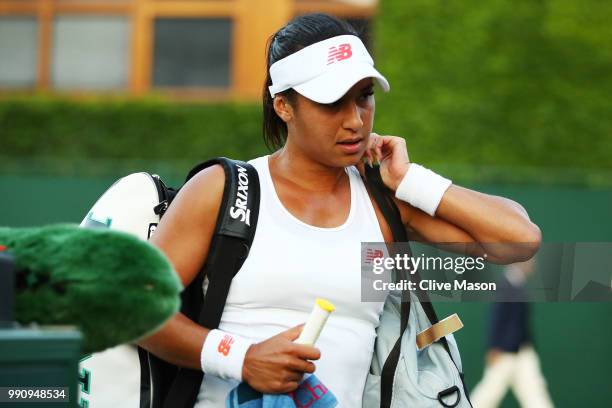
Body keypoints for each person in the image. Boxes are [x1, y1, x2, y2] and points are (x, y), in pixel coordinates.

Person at [138, 13, 541, 407]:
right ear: (284, 106)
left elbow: (520, 240)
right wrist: (240, 358)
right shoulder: (224, 188)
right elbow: (134, 306)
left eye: (364, 96)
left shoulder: (386, 201)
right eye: (332, 102)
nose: (355, 120)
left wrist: (410, 179)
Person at [471, 258, 555, 408]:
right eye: (529, 260)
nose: (532, 264)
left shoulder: (519, 284)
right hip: (504, 352)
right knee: (489, 392)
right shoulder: (505, 285)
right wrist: (494, 347)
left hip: (523, 351)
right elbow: (497, 317)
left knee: (534, 392)